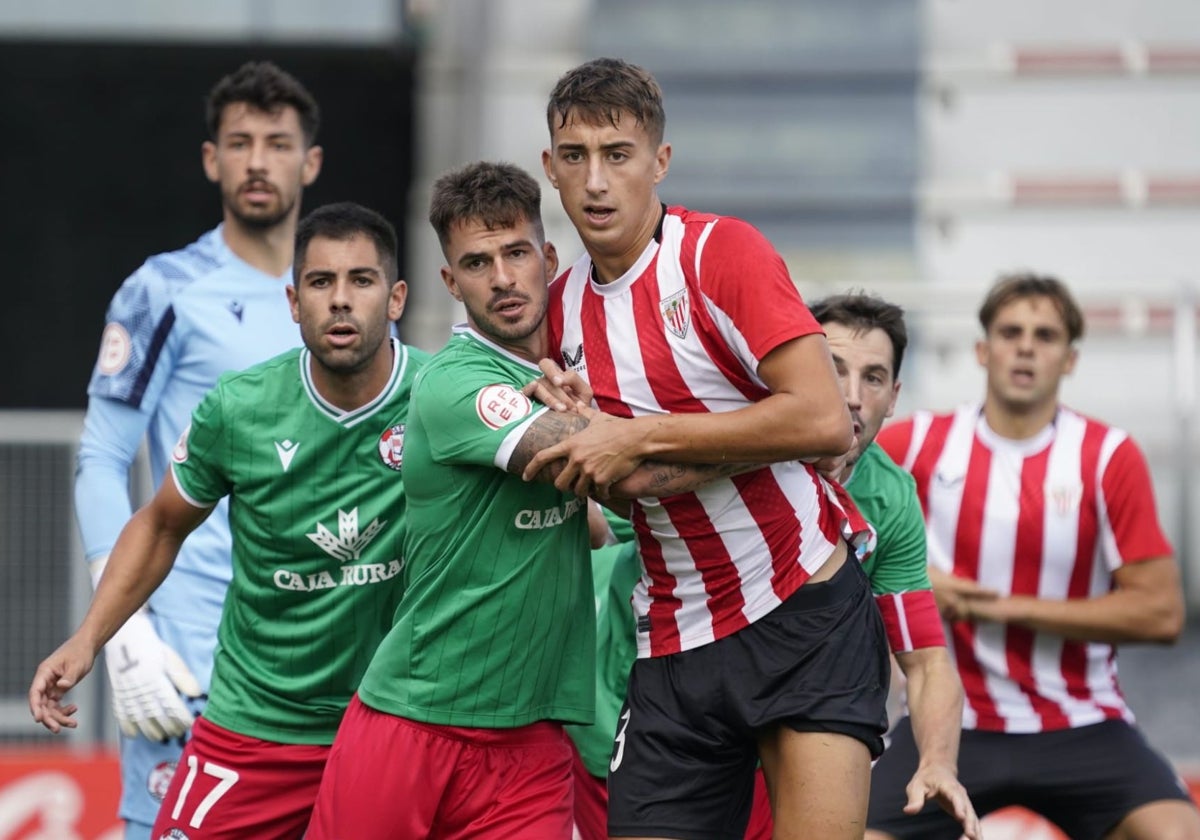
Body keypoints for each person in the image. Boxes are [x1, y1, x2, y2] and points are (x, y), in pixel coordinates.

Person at [306, 160, 753, 840]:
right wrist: (783, 435)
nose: (503, 277)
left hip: (535, 737)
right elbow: (623, 474)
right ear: (450, 283)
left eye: (516, 253)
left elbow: (616, 514)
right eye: (477, 263)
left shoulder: (578, 376)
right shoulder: (458, 385)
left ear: (547, 258)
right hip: (415, 719)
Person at [531, 57, 890, 840]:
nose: (595, 182)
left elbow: (825, 419)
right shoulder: (557, 316)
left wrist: (641, 435)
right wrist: (617, 462)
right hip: (675, 637)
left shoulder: (719, 254)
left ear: (659, 162)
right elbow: (618, 485)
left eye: (617, 155)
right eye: (575, 157)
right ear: (549, 168)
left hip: (803, 613)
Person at [32, 202, 426, 839]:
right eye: (321, 283)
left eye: (362, 279)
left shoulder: (443, 401)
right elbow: (160, 526)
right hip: (254, 722)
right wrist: (91, 640)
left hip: (386, 726)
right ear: (294, 303)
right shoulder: (239, 409)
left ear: (397, 296)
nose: (342, 301)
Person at [563, 293, 981, 840]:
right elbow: (593, 520)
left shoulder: (890, 495)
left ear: (895, 396)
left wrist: (938, 763)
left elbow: (926, 659)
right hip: (641, 705)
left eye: (873, 378)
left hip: (779, 726)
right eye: (833, 370)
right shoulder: (722, 450)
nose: (852, 397)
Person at [72, 60, 323, 840]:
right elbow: (100, 459)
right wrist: (125, 628)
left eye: (277, 143)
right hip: (187, 657)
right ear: (211, 159)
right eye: (239, 142)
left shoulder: (339, 297)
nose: (257, 161)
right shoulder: (163, 290)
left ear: (309, 162)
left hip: (320, 657)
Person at [869, 272, 1200, 840]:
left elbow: (1162, 614)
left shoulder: (1106, 456)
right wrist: (916, 582)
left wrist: (996, 609)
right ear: (982, 349)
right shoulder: (916, 444)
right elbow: (832, 529)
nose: (1025, 345)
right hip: (947, 727)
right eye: (1010, 331)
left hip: (1083, 722)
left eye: (1045, 336)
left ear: (1069, 360)